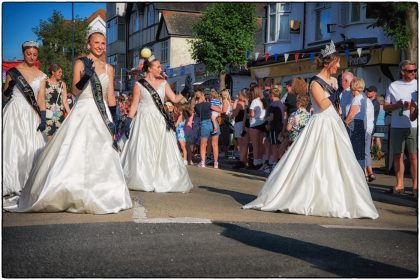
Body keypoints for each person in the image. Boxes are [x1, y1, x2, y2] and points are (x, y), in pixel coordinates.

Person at [243, 41, 378, 219]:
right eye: (336, 62)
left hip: (333, 123)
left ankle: (337, 198)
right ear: (329, 62)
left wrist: (340, 108)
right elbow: (322, 104)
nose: (338, 66)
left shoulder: (332, 81)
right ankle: (307, 196)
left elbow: (335, 107)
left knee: (337, 161)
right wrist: (339, 92)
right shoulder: (315, 82)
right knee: (313, 160)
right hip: (320, 123)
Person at [7, 30, 132, 214]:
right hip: (84, 110)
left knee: (104, 152)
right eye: (96, 43)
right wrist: (85, 78)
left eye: (103, 43)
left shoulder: (109, 68)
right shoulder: (81, 62)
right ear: (89, 44)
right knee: (77, 150)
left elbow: (110, 96)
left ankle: (105, 193)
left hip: (102, 112)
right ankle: (72, 190)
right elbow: (74, 91)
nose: (99, 46)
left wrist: (116, 119)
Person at [121, 53, 193, 193]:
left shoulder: (164, 83)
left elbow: (175, 99)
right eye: (158, 67)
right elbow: (135, 104)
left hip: (160, 120)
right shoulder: (139, 85)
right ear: (149, 69)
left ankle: (162, 179)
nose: (161, 69)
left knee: (161, 149)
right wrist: (129, 120)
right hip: (143, 119)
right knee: (144, 149)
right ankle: (143, 179)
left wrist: (185, 90)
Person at [2, 41, 47, 197]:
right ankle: (12, 181)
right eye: (29, 54)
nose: (32, 57)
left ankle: (28, 182)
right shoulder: (13, 72)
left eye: (35, 54)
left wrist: (43, 117)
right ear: (23, 53)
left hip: (31, 114)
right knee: (14, 147)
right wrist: (8, 88)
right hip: (14, 112)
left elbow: (41, 98)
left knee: (30, 148)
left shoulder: (41, 75)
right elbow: (4, 96)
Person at [383, 60, 418, 196]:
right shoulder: (393, 86)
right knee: (398, 156)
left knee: (414, 156)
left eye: (415, 70)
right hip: (397, 125)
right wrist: (397, 105)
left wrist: (413, 106)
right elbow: (385, 106)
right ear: (402, 72)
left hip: (413, 125)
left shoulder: (417, 85)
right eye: (410, 71)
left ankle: (415, 186)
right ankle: (400, 184)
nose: (413, 73)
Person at [40, 64, 71, 141]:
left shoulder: (62, 84)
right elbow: (41, 98)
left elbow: (65, 101)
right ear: (53, 72)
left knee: (58, 139)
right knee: (48, 138)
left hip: (59, 116)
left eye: (61, 72)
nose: (61, 74)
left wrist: (70, 114)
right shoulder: (44, 82)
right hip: (47, 115)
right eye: (59, 72)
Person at [193, 89, 222, 168]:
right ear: (202, 96)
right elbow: (220, 110)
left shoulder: (196, 107)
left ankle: (202, 162)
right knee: (215, 145)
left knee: (203, 145)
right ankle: (216, 163)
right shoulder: (208, 104)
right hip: (213, 123)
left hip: (204, 124)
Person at [344, 77, 367, 169]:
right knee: (359, 150)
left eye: (350, 85)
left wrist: (343, 124)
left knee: (355, 149)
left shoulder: (356, 99)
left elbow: (351, 115)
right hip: (359, 123)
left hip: (354, 124)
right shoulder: (361, 97)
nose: (349, 87)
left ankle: (357, 172)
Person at [264, 85, 285, 174]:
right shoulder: (281, 103)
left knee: (274, 145)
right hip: (281, 126)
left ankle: (274, 164)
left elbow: (271, 117)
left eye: (269, 94)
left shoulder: (272, 105)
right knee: (279, 145)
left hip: (274, 127)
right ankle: (278, 163)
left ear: (272, 94)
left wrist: (267, 122)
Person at [248, 86, 267, 169]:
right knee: (261, 144)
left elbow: (252, 114)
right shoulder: (264, 101)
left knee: (255, 145)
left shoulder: (254, 101)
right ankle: (261, 161)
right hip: (263, 123)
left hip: (254, 124)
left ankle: (256, 162)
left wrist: (248, 115)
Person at [364, 92, 376, 182]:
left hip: (364, 128)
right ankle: (370, 172)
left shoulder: (362, 100)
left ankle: (365, 174)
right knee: (366, 151)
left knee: (360, 152)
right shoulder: (369, 102)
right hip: (369, 128)